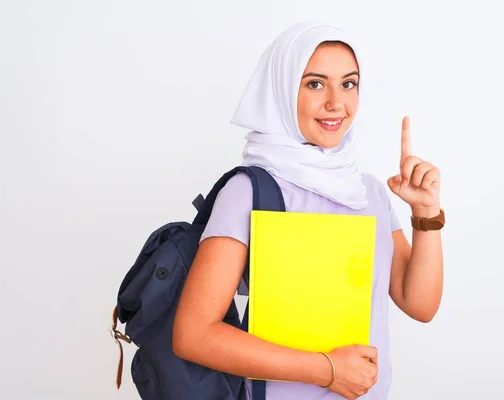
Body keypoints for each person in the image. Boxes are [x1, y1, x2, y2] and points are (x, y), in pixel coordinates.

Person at [172, 21, 444, 400]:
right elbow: (194, 335)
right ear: (282, 91)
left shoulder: (367, 192)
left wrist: (426, 213)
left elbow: (420, 305)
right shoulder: (248, 190)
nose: (336, 102)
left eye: (348, 84)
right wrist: (328, 371)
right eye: (315, 83)